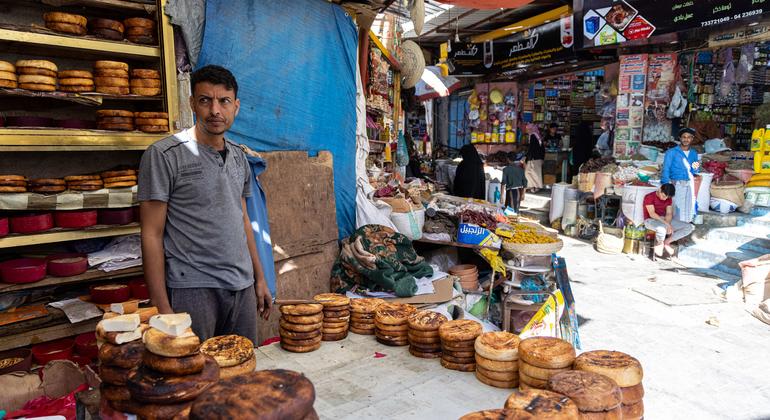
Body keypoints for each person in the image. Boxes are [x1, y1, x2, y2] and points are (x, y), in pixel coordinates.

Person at [138, 65, 272, 344]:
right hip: (193, 288)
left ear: (235, 106)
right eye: (205, 100)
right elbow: (151, 233)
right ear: (192, 104)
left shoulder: (238, 157)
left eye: (224, 101)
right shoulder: (163, 155)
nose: (215, 111)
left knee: (241, 372)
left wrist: (259, 278)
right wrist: (162, 308)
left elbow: (244, 220)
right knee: (195, 378)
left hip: (241, 285)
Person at [643, 183, 694, 258]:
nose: (665, 199)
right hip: (651, 221)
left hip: (665, 220)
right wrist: (667, 225)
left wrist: (668, 224)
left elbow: (669, 213)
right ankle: (660, 244)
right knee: (662, 229)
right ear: (660, 189)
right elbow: (652, 214)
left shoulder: (668, 199)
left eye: (667, 197)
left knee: (689, 227)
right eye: (663, 196)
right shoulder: (649, 197)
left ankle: (667, 242)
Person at [661, 127, 700, 223]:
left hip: (688, 185)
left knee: (687, 209)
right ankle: (672, 230)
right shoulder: (671, 152)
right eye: (684, 137)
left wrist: (696, 168)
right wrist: (665, 185)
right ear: (680, 138)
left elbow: (695, 169)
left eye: (689, 137)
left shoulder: (694, 153)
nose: (686, 139)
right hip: (676, 185)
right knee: (674, 209)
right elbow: (666, 169)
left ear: (692, 138)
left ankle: (683, 229)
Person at [524, 123, 545, 192]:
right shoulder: (537, 136)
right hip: (537, 158)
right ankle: (533, 186)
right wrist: (542, 158)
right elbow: (542, 148)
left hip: (533, 158)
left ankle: (536, 187)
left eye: (528, 129)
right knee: (532, 172)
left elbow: (531, 148)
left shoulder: (533, 136)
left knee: (532, 173)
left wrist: (527, 158)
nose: (527, 130)